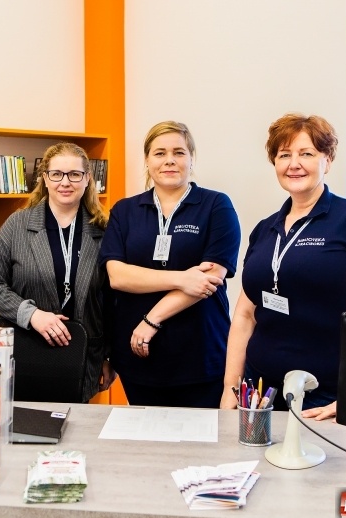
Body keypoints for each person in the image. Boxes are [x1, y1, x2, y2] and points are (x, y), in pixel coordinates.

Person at [220, 113, 346, 420]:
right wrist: (230, 387)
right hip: (260, 391)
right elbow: (245, 315)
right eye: (284, 155)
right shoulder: (264, 230)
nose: (294, 164)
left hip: (326, 396)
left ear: (327, 160)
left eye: (306, 154)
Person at [99, 121, 241, 408]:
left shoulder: (216, 206)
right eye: (160, 153)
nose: (169, 160)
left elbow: (210, 278)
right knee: (146, 434)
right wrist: (182, 278)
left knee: (204, 435)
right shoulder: (125, 211)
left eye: (179, 152)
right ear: (147, 160)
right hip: (138, 357)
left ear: (191, 158)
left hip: (200, 354)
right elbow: (117, 276)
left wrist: (151, 320)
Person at [0, 141, 115, 402]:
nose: (65, 182)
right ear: (45, 177)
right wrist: (32, 315)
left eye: (74, 174)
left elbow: (112, 300)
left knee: (75, 424)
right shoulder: (17, 224)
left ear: (87, 178)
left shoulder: (104, 228)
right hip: (28, 348)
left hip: (84, 354)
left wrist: (110, 357)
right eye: (57, 174)